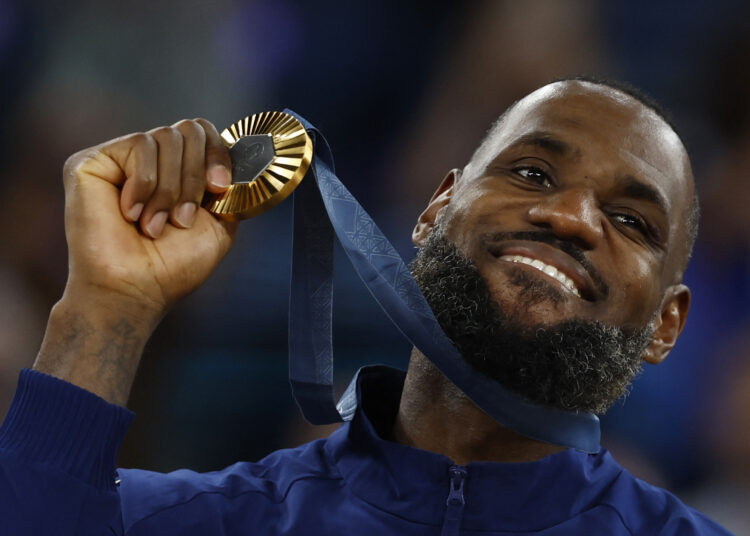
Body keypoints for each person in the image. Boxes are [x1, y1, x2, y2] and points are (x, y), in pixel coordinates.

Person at [0, 78, 731, 535]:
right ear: (434, 211)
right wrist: (107, 303)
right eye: (533, 172)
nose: (571, 217)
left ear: (667, 325)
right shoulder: (200, 522)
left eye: (632, 222)